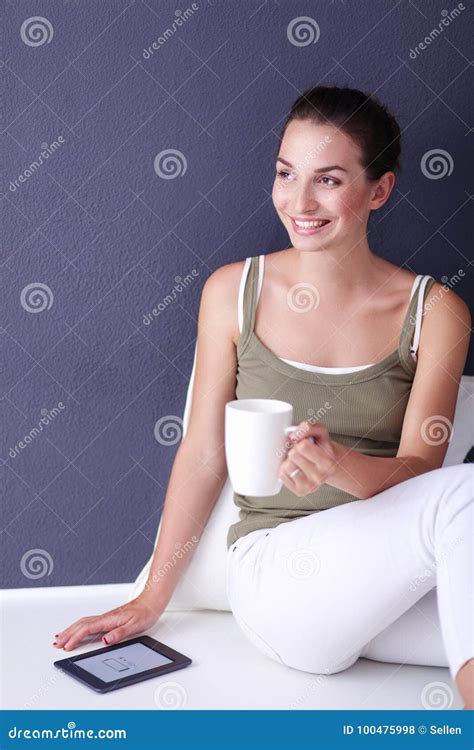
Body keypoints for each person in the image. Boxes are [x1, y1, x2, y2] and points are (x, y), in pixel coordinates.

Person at [53, 85, 473, 708]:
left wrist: (341, 467)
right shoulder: (233, 290)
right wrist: (152, 595)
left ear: (378, 190)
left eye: (328, 180)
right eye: (285, 174)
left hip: (384, 586)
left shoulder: (435, 311)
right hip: (279, 582)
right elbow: (202, 453)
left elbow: (420, 473)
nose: (298, 202)